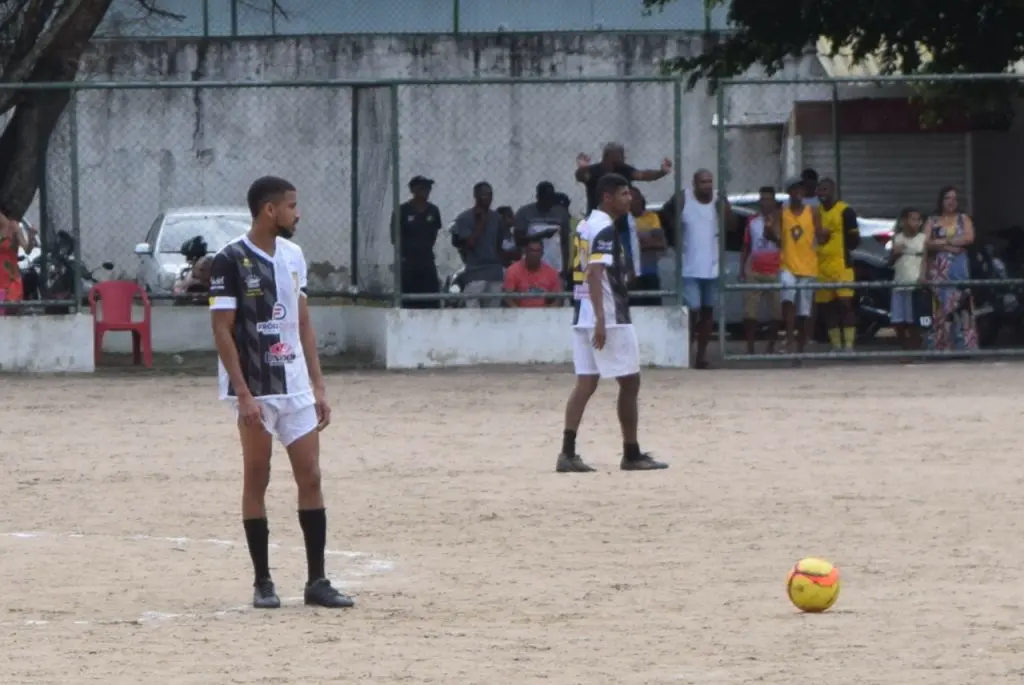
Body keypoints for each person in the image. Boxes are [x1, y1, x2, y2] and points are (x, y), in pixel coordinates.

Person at [209, 176, 353, 610]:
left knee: (310, 475)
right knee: (258, 477)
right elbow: (222, 329)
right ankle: (263, 581)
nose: (298, 213)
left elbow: (303, 323)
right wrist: (243, 394)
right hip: (255, 389)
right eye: (292, 206)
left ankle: (317, 581)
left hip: (294, 387)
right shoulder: (229, 260)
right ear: (269, 210)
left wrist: (318, 384)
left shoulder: (294, 256)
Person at [557, 173, 667, 473]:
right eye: (624, 194)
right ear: (607, 196)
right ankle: (631, 453)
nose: (629, 199)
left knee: (586, 383)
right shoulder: (605, 228)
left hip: (582, 313)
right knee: (630, 381)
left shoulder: (584, 224)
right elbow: (594, 272)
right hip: (608, 314)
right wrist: (602, 320)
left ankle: (567, 452)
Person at [673, 169, 734, 369]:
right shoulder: (685, 198)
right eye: (703, 182)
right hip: (689, 268)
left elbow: (732, 226)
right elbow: (668, 217)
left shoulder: (718, 200)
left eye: (710, 181)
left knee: (708, 313)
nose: (707, 185)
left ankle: (701, 355)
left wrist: (723, 208)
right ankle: (685, 354)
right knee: (693, 311)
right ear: (694, 183)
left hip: (713, 268)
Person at [779, 176, 828, 358]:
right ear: (789, 192)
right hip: (788, 264)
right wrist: (770, 232)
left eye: (800, 189)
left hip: (808, 265)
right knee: (788, 298)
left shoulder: (812, 211)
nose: (798, 193)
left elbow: (820, 234)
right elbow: (778, 236)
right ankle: (790, 338)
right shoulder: (783, 212)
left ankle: (801, 343)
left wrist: (824, 234)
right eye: (794, 189)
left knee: (804, 310)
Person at [924, 186, 978, 351]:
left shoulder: (964, 219)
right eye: (948, 198)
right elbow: (926, 243)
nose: (951, 202)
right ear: (941, 200)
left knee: (962, 305)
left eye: (954, 198)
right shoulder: (932, 221)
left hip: (959, 269)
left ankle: (965, 347)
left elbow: (969, 238)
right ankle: (941, 346)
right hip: (939, 271)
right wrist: (949, 246)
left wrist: (940, 241)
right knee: (941, 307)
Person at [815, 178, 860, 351]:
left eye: (826, 190)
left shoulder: (845, 211)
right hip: (822, 266)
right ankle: (836, 345)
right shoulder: (815, 213)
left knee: (845, 304)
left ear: (833, 191)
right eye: (820, 190)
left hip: (842, 265)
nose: (822, 193)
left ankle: (849, 345)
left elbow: (854, 240)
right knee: (827, 308)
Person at [738, 187, 781, 354]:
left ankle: (770, 345)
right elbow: (746, 246)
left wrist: (773, 235)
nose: (765, 202)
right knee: (750, 310)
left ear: (774, 202)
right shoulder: (752, 221)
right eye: (762, 199)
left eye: (769, 199)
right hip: (755, 269)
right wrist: (742, 268)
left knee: (777, 312)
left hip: (776, 269)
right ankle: (750, 347)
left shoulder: (781, 220)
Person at [574, 142, 672, 213]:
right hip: (597, 216)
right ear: (609, 156)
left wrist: (661, 172)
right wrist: (583, 168)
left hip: (621, 221)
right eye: (620, 155)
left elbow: (642, 175)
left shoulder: (623, 169)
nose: (624, 157)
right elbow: (581, 177)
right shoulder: (594, 171)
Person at [391, 176, 442, 309]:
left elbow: (434, 234)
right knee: (408, 300)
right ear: (413, 190)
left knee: (431, 299)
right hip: (408, 263)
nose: (426, 191)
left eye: (428, 188)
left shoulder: (433, 211)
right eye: (422, 188)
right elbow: (395, 238)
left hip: (427, 261)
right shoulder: (402, 211)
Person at [452, 181, 505, 307]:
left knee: (493, 313)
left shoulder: (497, 218)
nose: (489, 198)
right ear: (476, 196)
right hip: (475, 273)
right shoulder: (464, 218)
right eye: (484, 194)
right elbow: (470, 243)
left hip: (494, 273)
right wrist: (481, 222)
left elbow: (499, 244)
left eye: (490, 194)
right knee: (472, 312)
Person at [514, 182, 571, 278]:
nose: (548, 201)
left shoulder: (561, 214)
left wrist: (565, 269)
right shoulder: (524, 212)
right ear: (537, 196)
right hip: (530, 267)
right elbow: (518, 240)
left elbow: (565, 243)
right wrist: (540, 235)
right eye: (545, 198)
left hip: (555, 267)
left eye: (550, 198)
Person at [890, 208, 927, 352]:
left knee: (913, 320)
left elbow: (926, 260)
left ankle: (914, 347)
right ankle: (903, 346)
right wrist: (895, 254)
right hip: (900, 282)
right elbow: (891, 261)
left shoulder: (923, 238)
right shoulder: (897, 238)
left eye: (918, 220)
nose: (915, 223)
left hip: (915, 283)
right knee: (898, 319)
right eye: (912, 219)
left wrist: (923, 276)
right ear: (904, 221)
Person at [629, 187, 666, 306]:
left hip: (649, 271)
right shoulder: (622, 220)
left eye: (634, 198)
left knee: (653, 306)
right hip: (631, 274)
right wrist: (645, 242)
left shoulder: (651, 217)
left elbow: (660, 243)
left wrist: (636, 244)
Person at [503, 239, 562, 307]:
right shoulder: (512, 271)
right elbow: (507, 298)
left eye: (537, 251)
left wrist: (548, 313)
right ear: (525, 252)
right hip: (518, 313)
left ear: (542, 253)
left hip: (544, 314)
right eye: (531, 250)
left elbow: (558, 298)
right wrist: (518, 313)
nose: (534, 254)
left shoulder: (552, 273)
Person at [0, 213, 36, 314]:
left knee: (10, 316)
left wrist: (31, 237)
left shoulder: (13, 226)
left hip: (12, 281)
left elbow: (27, 250)